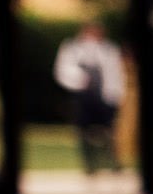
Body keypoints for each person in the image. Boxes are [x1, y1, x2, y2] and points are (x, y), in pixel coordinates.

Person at [52, 17, 126, 174]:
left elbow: (116, 74)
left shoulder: (109, 49)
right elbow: (62, 71)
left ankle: (112, 162)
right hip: (83, 95)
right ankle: (90, 165)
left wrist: (116, 95)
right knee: (84, 131)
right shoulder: (72, 48)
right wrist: (80, 79)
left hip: (104, 95)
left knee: (108, 130)